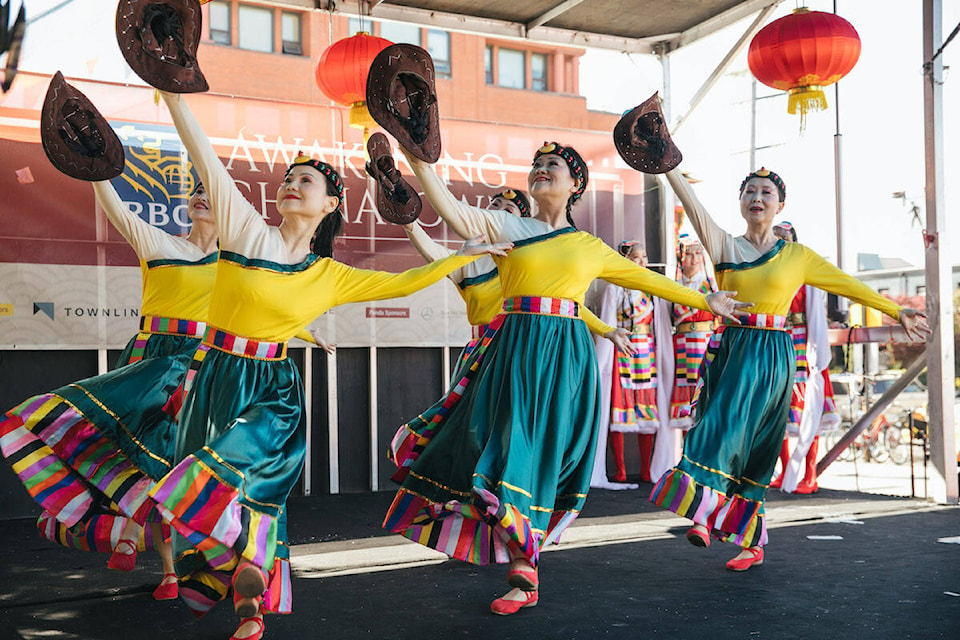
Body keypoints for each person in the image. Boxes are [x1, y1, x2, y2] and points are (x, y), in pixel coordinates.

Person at [146, 91, 509, 640]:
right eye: (287, 177)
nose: (291, 183)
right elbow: (203, 156)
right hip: (214, 379)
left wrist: (457, 259)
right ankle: (248, 591)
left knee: (256, 489)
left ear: (331, 205)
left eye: (306, 180)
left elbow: (400, 282)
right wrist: (172, 93)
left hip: (273, 389)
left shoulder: (329, 275)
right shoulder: (246, 230)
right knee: (220, 496)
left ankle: (252, 593)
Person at [382, 139, 746, 616]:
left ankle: (524, 567)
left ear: (576, 184)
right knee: (506, 443)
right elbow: (450, 209)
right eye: (536, 164)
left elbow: (647, 281)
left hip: (566, 357)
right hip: (513, 348)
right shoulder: (509, 225)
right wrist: (417, 159)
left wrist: (706, 302)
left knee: (541, 451)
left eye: (552, 164)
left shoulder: (589, 247)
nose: (540, 169)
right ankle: (521, 558)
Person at [650, 166, 928, 571]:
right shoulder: (723, 244)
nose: (757, 198)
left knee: (761, 444)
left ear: (781, 204)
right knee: (719, 425)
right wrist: (669, 165)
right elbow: (691, 205)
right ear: (741, 202)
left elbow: (846, 284)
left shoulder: (797, 256)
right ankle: (703, 511)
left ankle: (750, 541)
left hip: (777, 351)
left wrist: (895, 309)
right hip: (734, 346)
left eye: (766, 192)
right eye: (749, 191)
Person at [0, 177, 218, 601]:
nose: (201, 195)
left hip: (198, 367)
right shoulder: (159, 243)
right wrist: (98, 170)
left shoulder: (236, 264)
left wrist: (304, 331)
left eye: (212, 191)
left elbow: (265, 307)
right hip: (148, 365)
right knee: (130, 455)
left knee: (172, 467)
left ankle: (171, 564)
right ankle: (145, 548)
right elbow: (117, 209)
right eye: (195, 189)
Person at [392, 190, 626, 481]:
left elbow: (568, 304)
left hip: (519, 351)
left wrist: (606, 329)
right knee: (471, 430)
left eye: (508, 210)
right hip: (482, 355)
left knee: (518, 428)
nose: (499, 211)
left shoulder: (528, 263)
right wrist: (409, 222)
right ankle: (470, 494)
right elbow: (432, 253)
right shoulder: (467, 261)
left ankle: (512, 496)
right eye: (495, 207)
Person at [769, 221, 841, 494]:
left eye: (785, 238)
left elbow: (813, 312)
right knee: (777, 411)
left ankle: (809, 475)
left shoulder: (803, 272)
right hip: (779, 340)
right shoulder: (768, 272)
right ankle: (786, 471)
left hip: (802, 342)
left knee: (808, 408)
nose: (780, 243)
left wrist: (815, 350)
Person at [594, 241, 672, 484]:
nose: (641, 262)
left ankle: (648, 469)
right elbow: (607, 322)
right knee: (619, 408)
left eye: (644, 257)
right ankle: (620, 469)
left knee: (648, 410)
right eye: (636, 257)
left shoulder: (650, 290)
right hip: (623, 349)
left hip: (646, 350)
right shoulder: (614, 288)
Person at [668, 235, 717, 432]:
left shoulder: (711, 285)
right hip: (682, 346)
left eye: (698, 253)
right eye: (689, 254)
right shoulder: (673, 285)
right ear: (680, 257)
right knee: (685, 393)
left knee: (706, 389)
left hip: (706, 342)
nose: (694, 258)